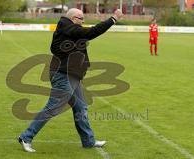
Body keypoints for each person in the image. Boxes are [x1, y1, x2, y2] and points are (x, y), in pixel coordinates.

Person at [18, 8, 123, 153]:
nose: (83, 21)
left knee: (80, 107)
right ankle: (26, 137)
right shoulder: (68, 27)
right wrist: (113, 19)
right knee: (53, 107)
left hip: (71, 75)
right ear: (74, 18)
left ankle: (88, 141)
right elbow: (91, 32)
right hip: (63, 75)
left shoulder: (67, 28)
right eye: (81, 18)